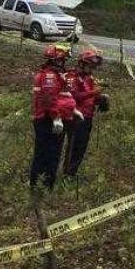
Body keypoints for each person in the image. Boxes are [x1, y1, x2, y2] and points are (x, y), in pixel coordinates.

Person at [30, 44, 82, 190]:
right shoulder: (50, 76)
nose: (63, 63)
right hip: (47, 120)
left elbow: (63, 96)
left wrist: (72, 110)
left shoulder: (56, 75)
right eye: (62, 61)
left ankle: (44, 185)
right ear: (55, 60)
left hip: (52, 118)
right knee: (47, 154)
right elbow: (48, 99)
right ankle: (41, 186)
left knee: (52, 153)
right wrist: (56, 118)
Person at [62, 49, 109, 179]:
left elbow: (91, 96)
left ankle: (73, 172)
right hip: (76, 117)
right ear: (82, 64)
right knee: (74, 145)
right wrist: (94, 93)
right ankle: (68, 174)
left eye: (94, 67)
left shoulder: (89, 78)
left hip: (88, 116)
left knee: (82, 145)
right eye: (90, 66)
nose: (92, 69)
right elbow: (73, 96)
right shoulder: (72, 76)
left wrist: (100, 99)